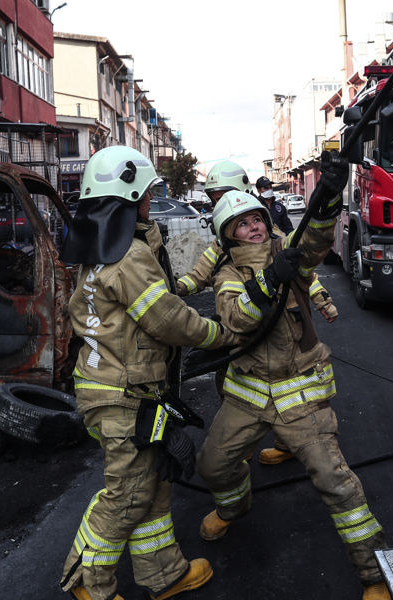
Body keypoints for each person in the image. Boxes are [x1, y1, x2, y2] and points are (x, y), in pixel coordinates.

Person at [196, 152, 392, 600]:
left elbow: (318, 243)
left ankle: (375, 573)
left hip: (299, 395)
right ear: (229, 235)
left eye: (258, 219)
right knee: (213, 465)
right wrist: (268, 282)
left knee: (337, 484)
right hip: (246, 396)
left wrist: (327, 200)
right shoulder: (226, 274)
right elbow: (235, 318)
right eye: (243, 223)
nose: (255, 226)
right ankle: (234, 508)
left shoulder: (290, 253)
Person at [57, 146, 244, 600]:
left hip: (118, 389)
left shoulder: (100, 251)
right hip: (123, 394)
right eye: (149, 192)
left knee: (153, 483)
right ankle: (87, 584)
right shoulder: (129, 257)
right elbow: (168, 321)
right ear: (131, 194)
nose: (154, 199)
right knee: (126, 495)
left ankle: (165, 575)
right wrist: (222, 335)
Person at [175, 161, 338, 466]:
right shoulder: (223, 243)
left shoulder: (264, 232)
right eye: (214, 197)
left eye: (224, 193)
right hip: (243, 336)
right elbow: (201, 273)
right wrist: (176, 289)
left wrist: (322, 300)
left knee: (290, 400)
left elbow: (302, 263)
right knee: (233, 386)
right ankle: (240, 442)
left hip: (284, 336)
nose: (219, 201)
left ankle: (285, 441)